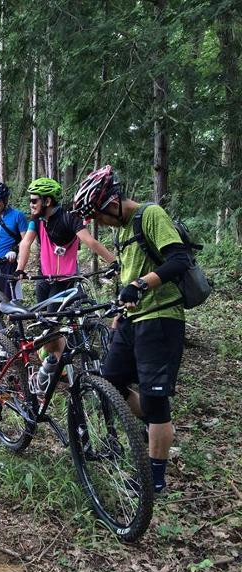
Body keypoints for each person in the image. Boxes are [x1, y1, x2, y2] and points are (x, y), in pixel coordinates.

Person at [73, 165, 190, 494]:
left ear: (113, 201)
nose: (99, 223)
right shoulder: (122, 229)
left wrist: (140, 285)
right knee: (111, 383)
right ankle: (154, 427)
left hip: (161, 318)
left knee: (156, 402)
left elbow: (179, 260)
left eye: (99, 215)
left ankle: (154, 478)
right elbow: (129, 272)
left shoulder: (151, 215)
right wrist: (120, 310)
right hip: (130, 321)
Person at [15, 177, 116, 362]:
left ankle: (53, 357)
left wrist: (114, 262)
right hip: (44, 279)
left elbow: (90, 241)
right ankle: (54, 357)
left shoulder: (70, 217)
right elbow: (25, 243)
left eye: (34, 200)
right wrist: (20, 269)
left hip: (64, 281)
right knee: (47, 324)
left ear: (47, 201)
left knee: (52, 324)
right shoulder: (37, 220)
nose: (31, 204)